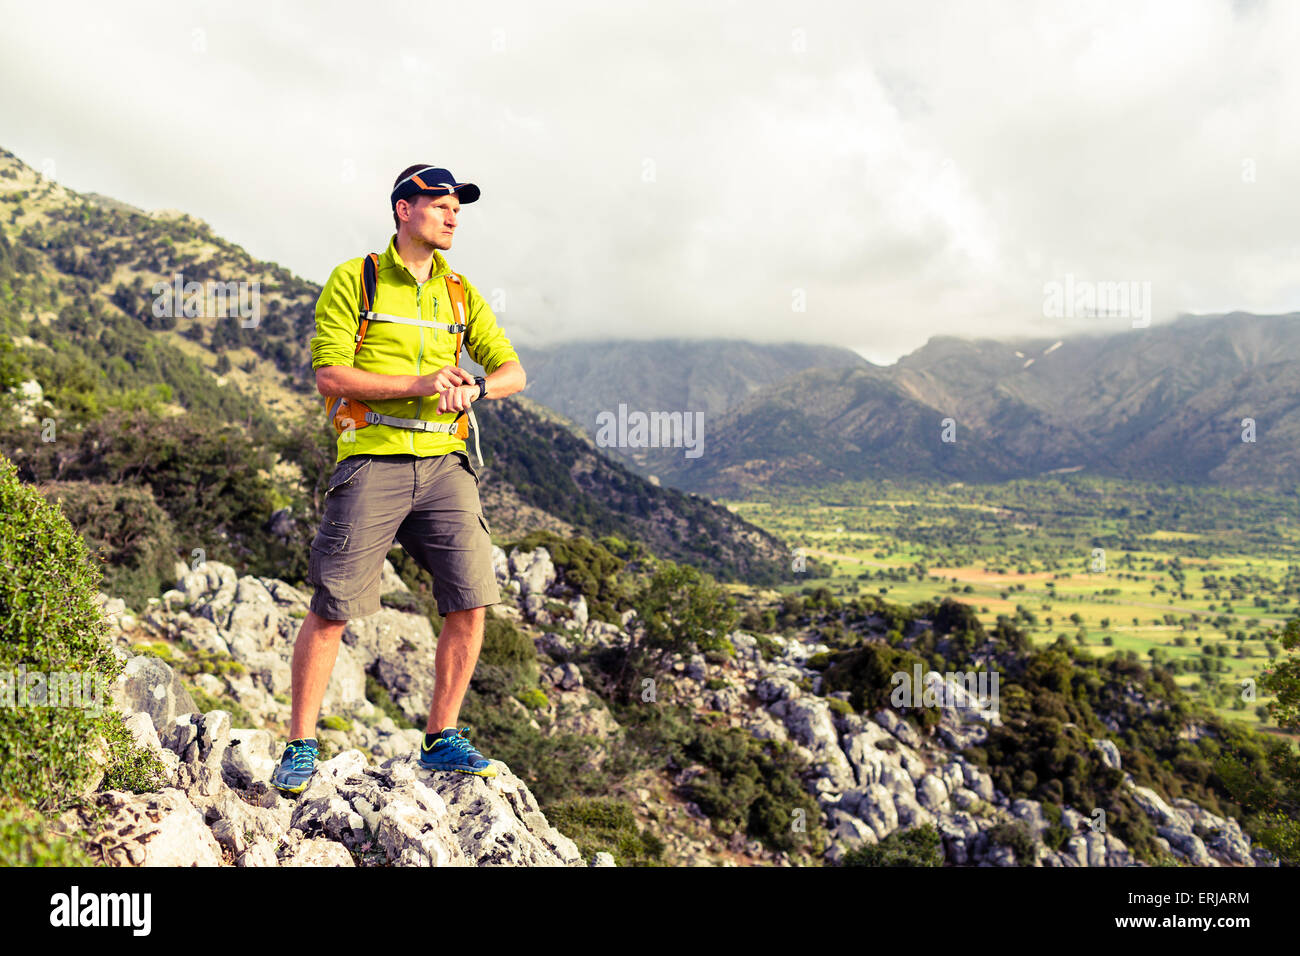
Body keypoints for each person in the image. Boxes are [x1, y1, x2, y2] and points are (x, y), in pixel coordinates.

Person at [270, 164, 526, 793]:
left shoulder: (460, 292)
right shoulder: (354, 280)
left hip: (446, 466)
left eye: (459, 205)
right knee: (333, 607)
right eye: (441, 203)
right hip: (371, 462)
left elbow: (515, 371)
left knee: (472, 599)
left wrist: (477, 387)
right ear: (403, 210)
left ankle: (441, 739)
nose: (454, 213)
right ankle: (300, 745)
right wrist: (417, 385)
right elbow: (330, 375)